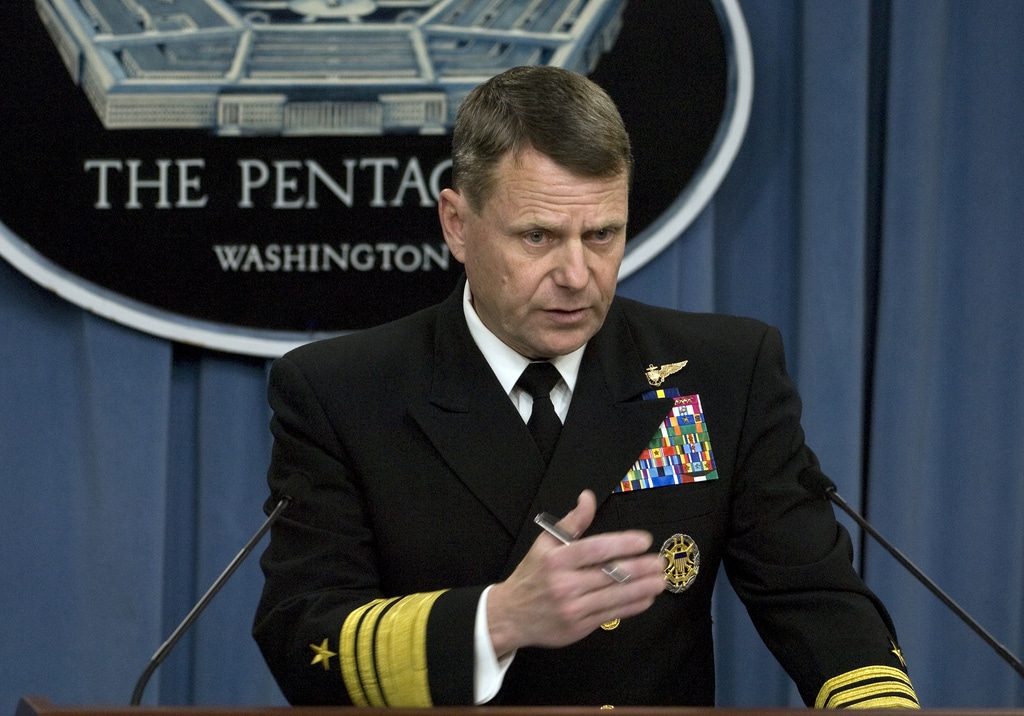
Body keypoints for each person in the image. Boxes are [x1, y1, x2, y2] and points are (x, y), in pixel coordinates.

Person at [253, 65, 919, 709]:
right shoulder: (344, 393)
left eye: (602, 235)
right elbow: (304, 640)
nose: (577, 274)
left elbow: (815, 599)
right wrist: (496, 621)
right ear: (456, 224)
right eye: (537, 236)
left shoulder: (721, 374)